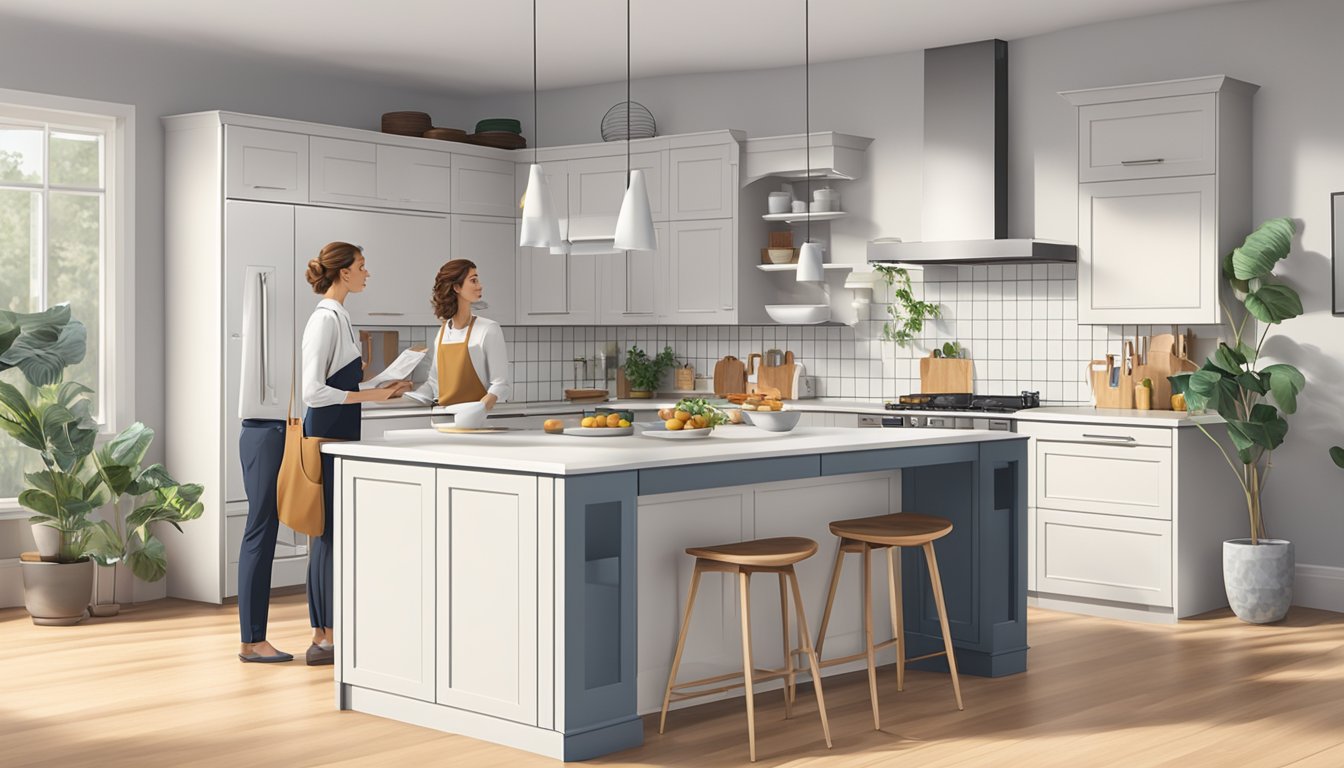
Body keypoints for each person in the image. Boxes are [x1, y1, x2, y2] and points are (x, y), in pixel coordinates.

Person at [299, 242, 411, 666]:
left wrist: (383, 389)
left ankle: (330, 631)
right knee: (325, 534)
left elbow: (340, 387)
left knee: (333, 534)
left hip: (341, 433)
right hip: (326, 436)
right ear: (343, 273)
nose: (368, 274)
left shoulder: (341, 317)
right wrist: (370, 394)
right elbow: (313, 391)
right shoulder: (325, 320)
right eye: (363, 267)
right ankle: (322, 637)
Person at [408, 259, 512, 409]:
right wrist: (408, 395)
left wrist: (478, 411)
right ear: (457, 287)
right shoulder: (443, 333)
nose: (480, 286)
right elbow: (434, 383)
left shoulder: (489, 329)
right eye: (474, 280)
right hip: (445, 418)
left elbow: (501, 385)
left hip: (480, 421)